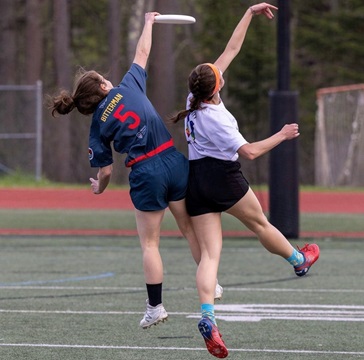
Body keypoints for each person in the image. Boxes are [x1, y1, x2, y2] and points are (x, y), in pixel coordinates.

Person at [49, 12, 222, 329]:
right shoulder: (128, 85)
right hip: (173, 160)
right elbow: (142, 53)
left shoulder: (96, 126)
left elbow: (104, 172)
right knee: (188, 229)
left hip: (146, 173)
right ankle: (209, 280)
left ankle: (155, 307)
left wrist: (99, 189)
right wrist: (148, 23)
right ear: (103, 84)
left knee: (150, 245)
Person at [171, 3, 320, 358]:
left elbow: (231, 49)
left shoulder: (194, 97)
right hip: (223, 178)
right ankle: (298, 259)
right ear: (216, 85)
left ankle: (208, 316)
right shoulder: (217, 117)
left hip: (197, 179)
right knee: (260, 225)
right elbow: (250, 152)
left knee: (210, 256)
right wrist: (281, 135)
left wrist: (249, 14)